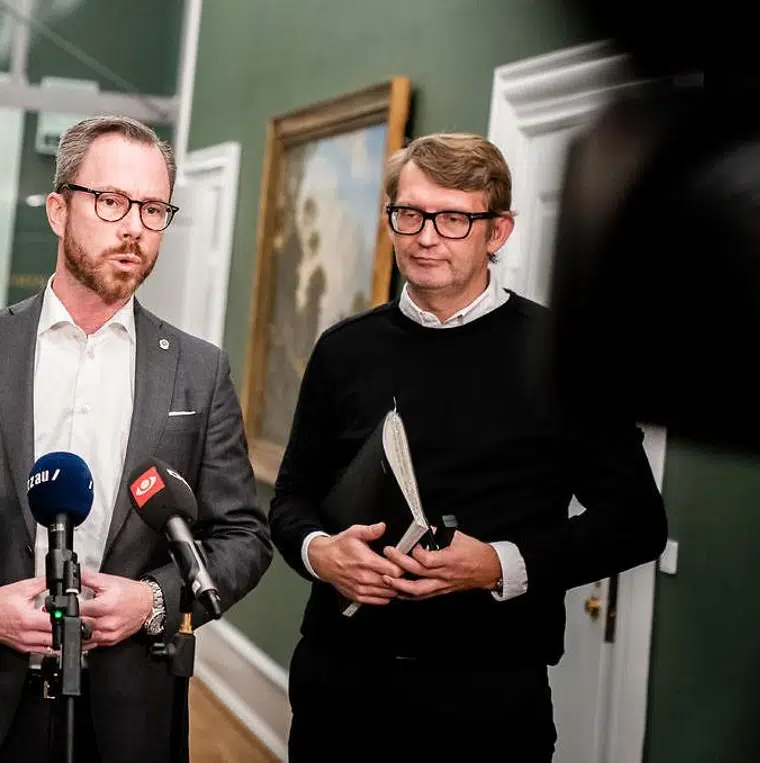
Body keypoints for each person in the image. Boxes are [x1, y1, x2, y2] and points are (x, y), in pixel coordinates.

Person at [0, 115, 273, 763]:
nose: (134, 225)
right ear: (58, 209)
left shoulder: (199, 369)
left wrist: (154, 599)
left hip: (129, 711)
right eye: (111, 201)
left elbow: (243, 536)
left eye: (154, 208)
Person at [268, 132, 668, 762]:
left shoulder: (567, 357)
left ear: (498, 232)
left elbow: (638, 523)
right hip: (338, 684)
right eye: (411, 214)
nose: (427, 236)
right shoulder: (343, 350)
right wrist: (320, 553)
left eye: (454, 218)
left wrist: (500, 564)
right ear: (392, 220)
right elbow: (291, 497)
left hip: (488, 699)